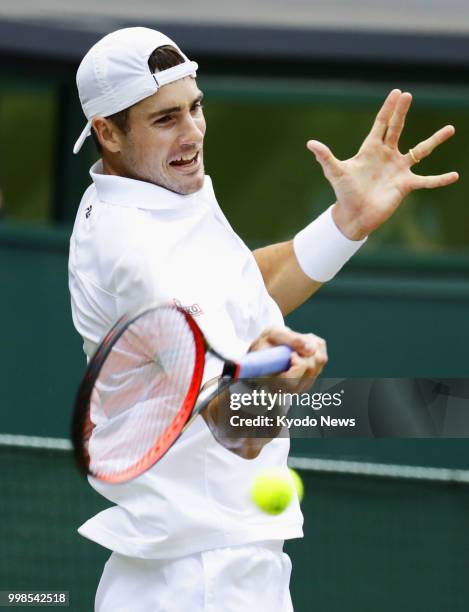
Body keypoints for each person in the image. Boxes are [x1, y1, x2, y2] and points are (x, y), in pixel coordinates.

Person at [68, 27, 458, 611]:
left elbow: (242, 287)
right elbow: (236, 429)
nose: (193, 132)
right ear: (108, 133)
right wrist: (277, 389)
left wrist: (346, 221)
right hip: (201, 581)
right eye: (165, 118)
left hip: (212, 564)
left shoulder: (153, 191)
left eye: (195, 107)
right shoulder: (138, 254)